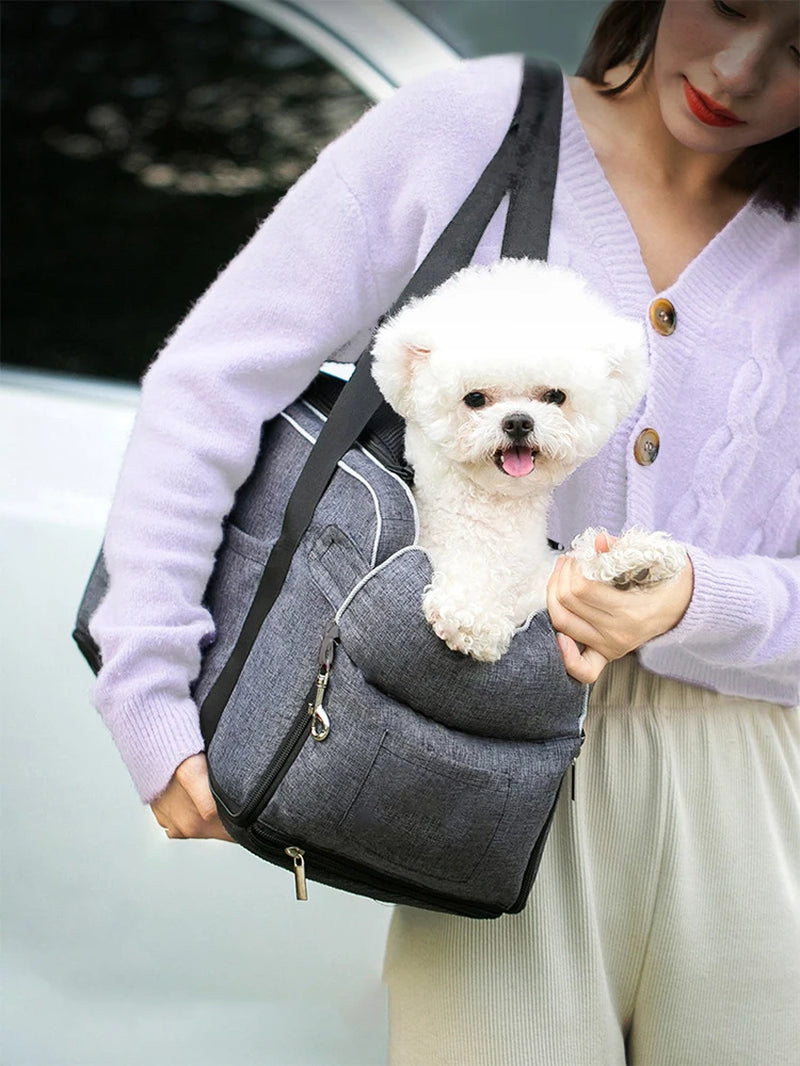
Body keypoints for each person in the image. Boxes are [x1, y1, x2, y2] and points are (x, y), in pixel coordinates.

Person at [90, 1, 799, 1062]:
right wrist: (146, 684)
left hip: (763, 797)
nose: (737, 69)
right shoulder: (472, 131)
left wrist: (701, 596)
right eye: (729, 3)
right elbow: (212, 383)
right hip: (477, 752)